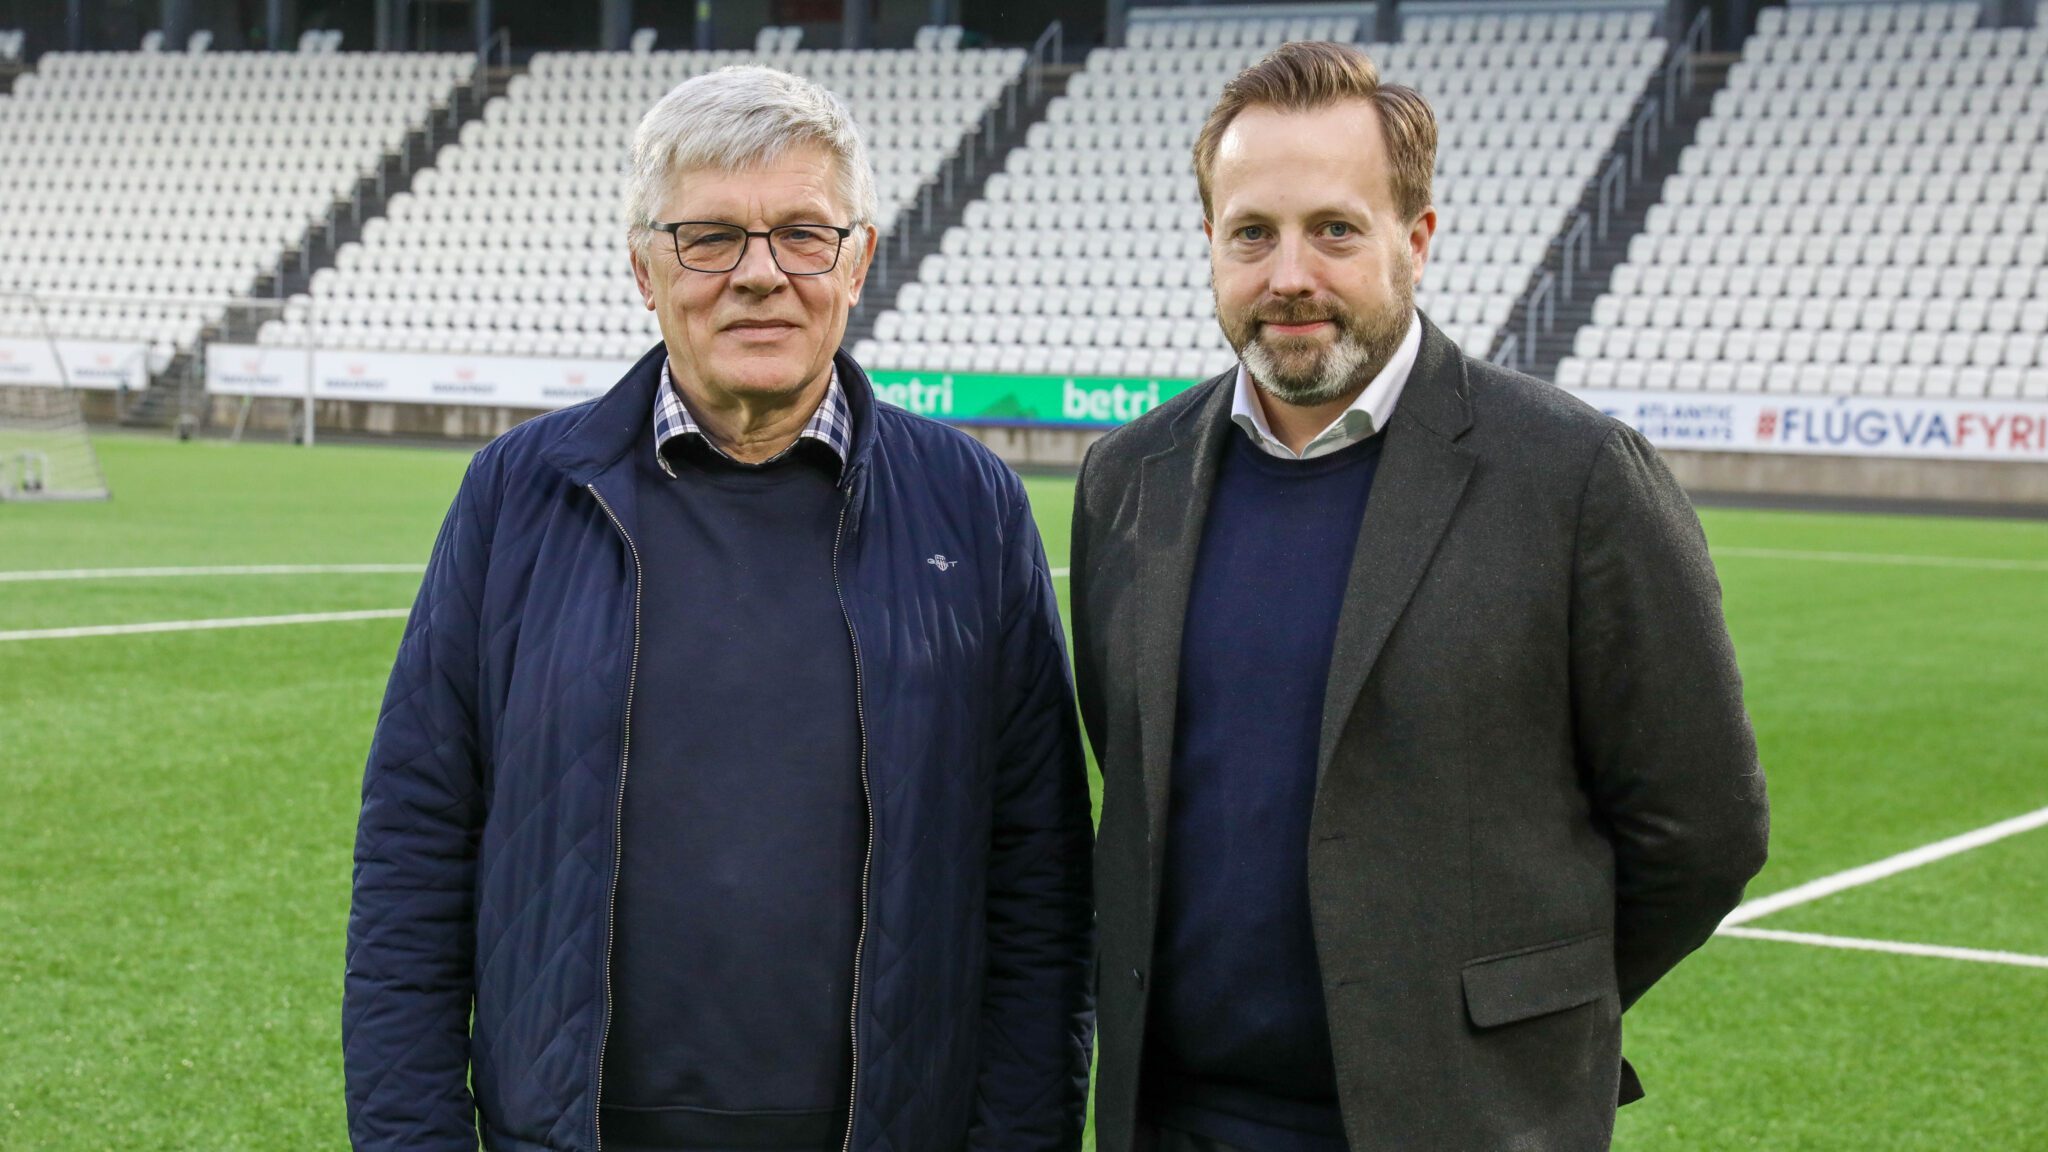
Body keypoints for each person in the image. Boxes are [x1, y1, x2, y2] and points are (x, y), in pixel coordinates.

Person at [344, 66, 1094, 1152]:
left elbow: (1037, 881)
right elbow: (415, 848)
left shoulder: (970, 507)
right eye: (709, 238)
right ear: (644, 269)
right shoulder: (518, 496)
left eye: (802, 235)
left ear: (857, 262)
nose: (759, 275)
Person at [1070, 41, 1769, 1152]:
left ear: (1417, 239)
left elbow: (1702, 831)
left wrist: (1511, 1018)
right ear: (1209, 243)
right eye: (1252, 233)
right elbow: (1133, 777)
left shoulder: (1577, 476)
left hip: (1458, 1121)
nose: (1289, 274)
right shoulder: (1126, 478)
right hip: (1177, 1122)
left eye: (1334, 230)